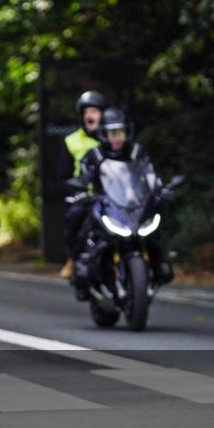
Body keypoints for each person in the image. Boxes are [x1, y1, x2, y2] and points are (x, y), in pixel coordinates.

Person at [70, 108, 173, 301]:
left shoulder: (136, 152)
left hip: (135, 206)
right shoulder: (95, 155)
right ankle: (81, 271)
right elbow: (83, 178)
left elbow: (150, 174)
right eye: (112, 133)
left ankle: (161, 265)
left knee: (156, 230)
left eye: (120, 132)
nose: (117, 138)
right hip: (105, 204)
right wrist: (83, 192)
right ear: (104, 134)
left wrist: (162, 188)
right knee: (83, 228)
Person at [57, 91, 107, 278]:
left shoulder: (112, 138)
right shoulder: (71, 141)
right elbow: (62, 177)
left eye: (94, 111)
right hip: (85, 195)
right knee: (74, 217)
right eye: (86, 112)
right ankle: (72, 257)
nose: (89, 115)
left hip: (112, 194)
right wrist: (78, 189)